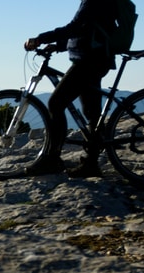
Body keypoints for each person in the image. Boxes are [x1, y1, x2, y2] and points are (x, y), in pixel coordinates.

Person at [24, 1, 117, 178]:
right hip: (95, 58)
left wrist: (40, 38)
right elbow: (86, 28)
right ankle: (91, 164)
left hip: (89, 60)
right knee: (91, 112)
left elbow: (75, 27)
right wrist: (59, 45)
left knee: (55, 103)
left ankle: (52, 160)